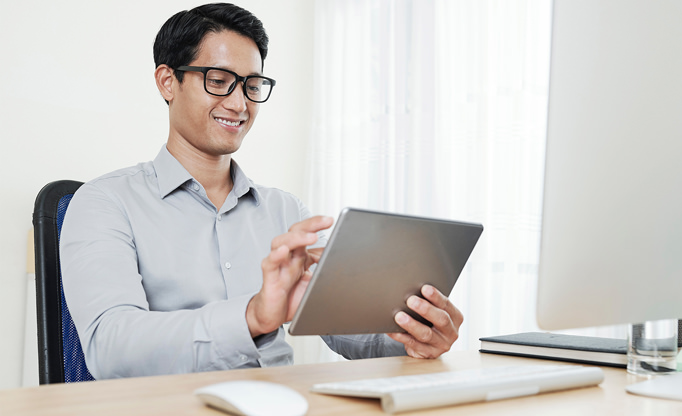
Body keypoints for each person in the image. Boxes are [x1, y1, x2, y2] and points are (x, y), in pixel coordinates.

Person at [60, 3, 463, 379]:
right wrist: (251, 317)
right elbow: (109, 347)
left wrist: (412, 336)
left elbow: (342, 327)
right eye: (219, 81)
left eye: (252, 85)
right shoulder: (104, 203)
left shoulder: (286, 211)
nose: (239, 104)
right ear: (168, 82)